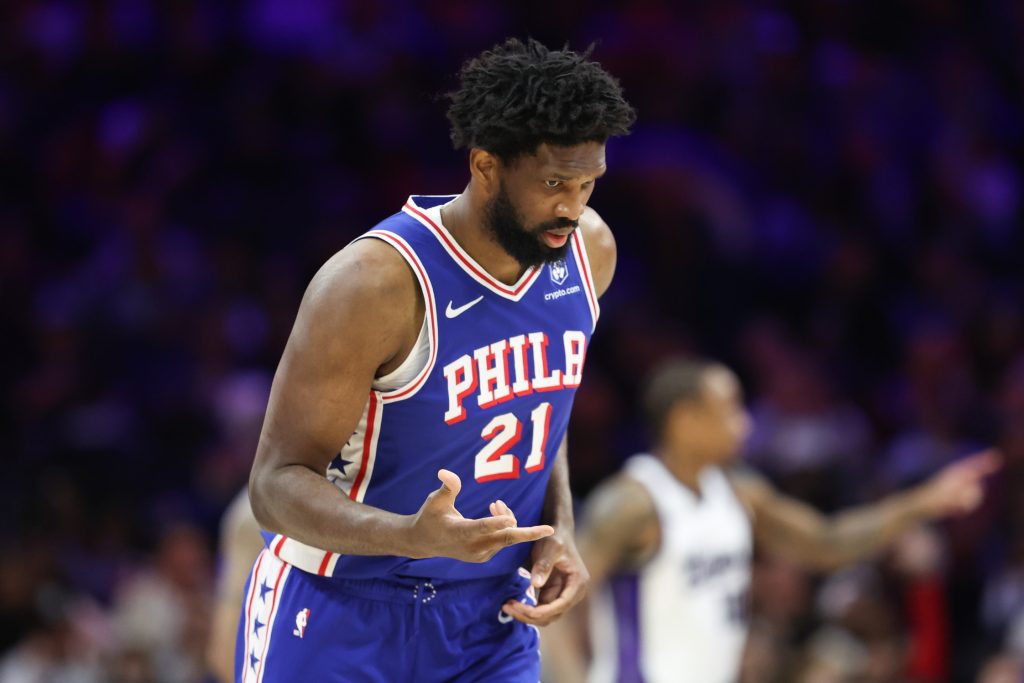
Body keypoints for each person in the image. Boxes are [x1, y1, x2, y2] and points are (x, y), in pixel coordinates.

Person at [240, 38, 635, 682]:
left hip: (489, 619)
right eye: (554, 183)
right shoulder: (374, 283)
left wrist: (559, 525)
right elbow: (274, 485)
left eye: (588, 183)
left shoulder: (588, 253)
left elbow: (542, 409)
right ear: (485, 166)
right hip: (342, 610)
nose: (573, 206)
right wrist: (407, 535)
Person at [541, 358, 1000, 683]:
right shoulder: (632, 503)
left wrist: (926, 502)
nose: (745, 423)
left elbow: (827, 542)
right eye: (729, 409)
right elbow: (554, 606)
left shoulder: (741, 493)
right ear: (684, 420)